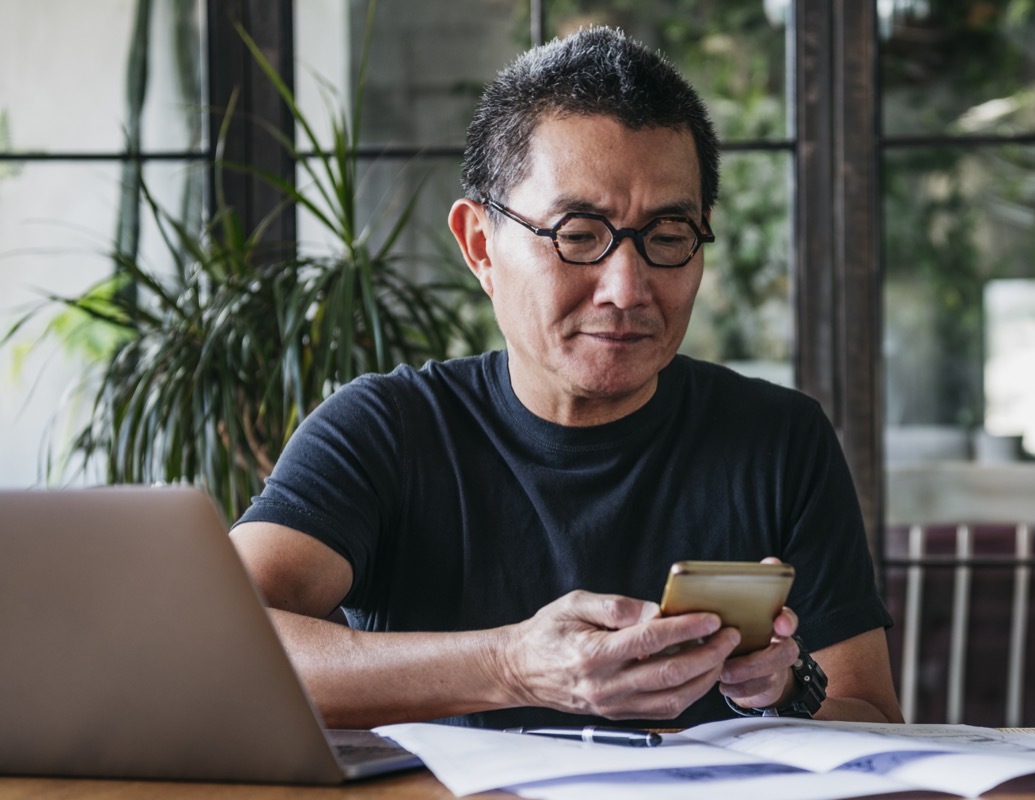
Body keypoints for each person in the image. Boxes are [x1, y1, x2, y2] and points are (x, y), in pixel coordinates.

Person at [231, 25, 903, 731]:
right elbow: (221, 646)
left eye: (669, 237)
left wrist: (785, 686)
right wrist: (510, 665)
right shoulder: (386, 429)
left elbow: (875, 718)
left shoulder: (778, 440)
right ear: (480, 246)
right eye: (579, 235)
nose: (627, 287)